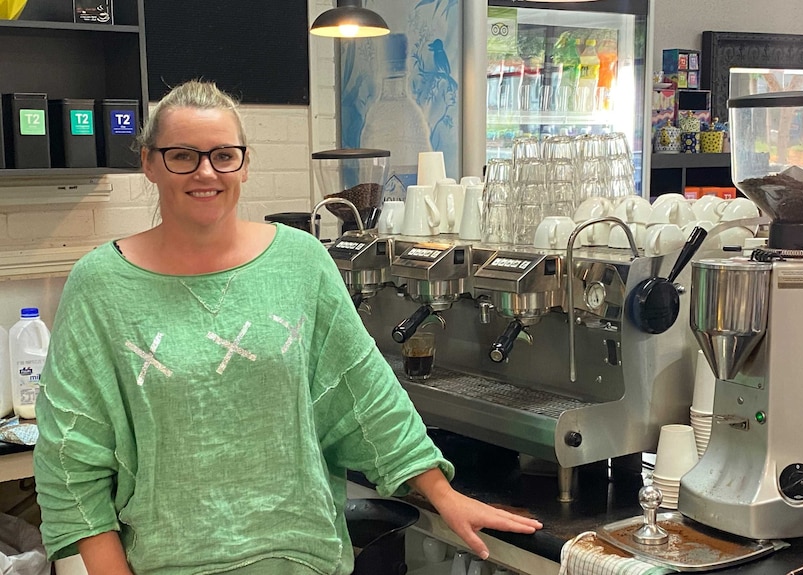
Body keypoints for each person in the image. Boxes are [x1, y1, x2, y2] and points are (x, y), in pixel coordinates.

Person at [33, 80, 542, 575]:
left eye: (223, 155)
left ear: (245, 164)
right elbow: (70, 459)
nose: (205, 172)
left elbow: (363, 392)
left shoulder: (301, 262)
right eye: (182, 155)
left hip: (305, 559)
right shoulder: (100, 285)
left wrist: (441, 492)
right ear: (148, 162)